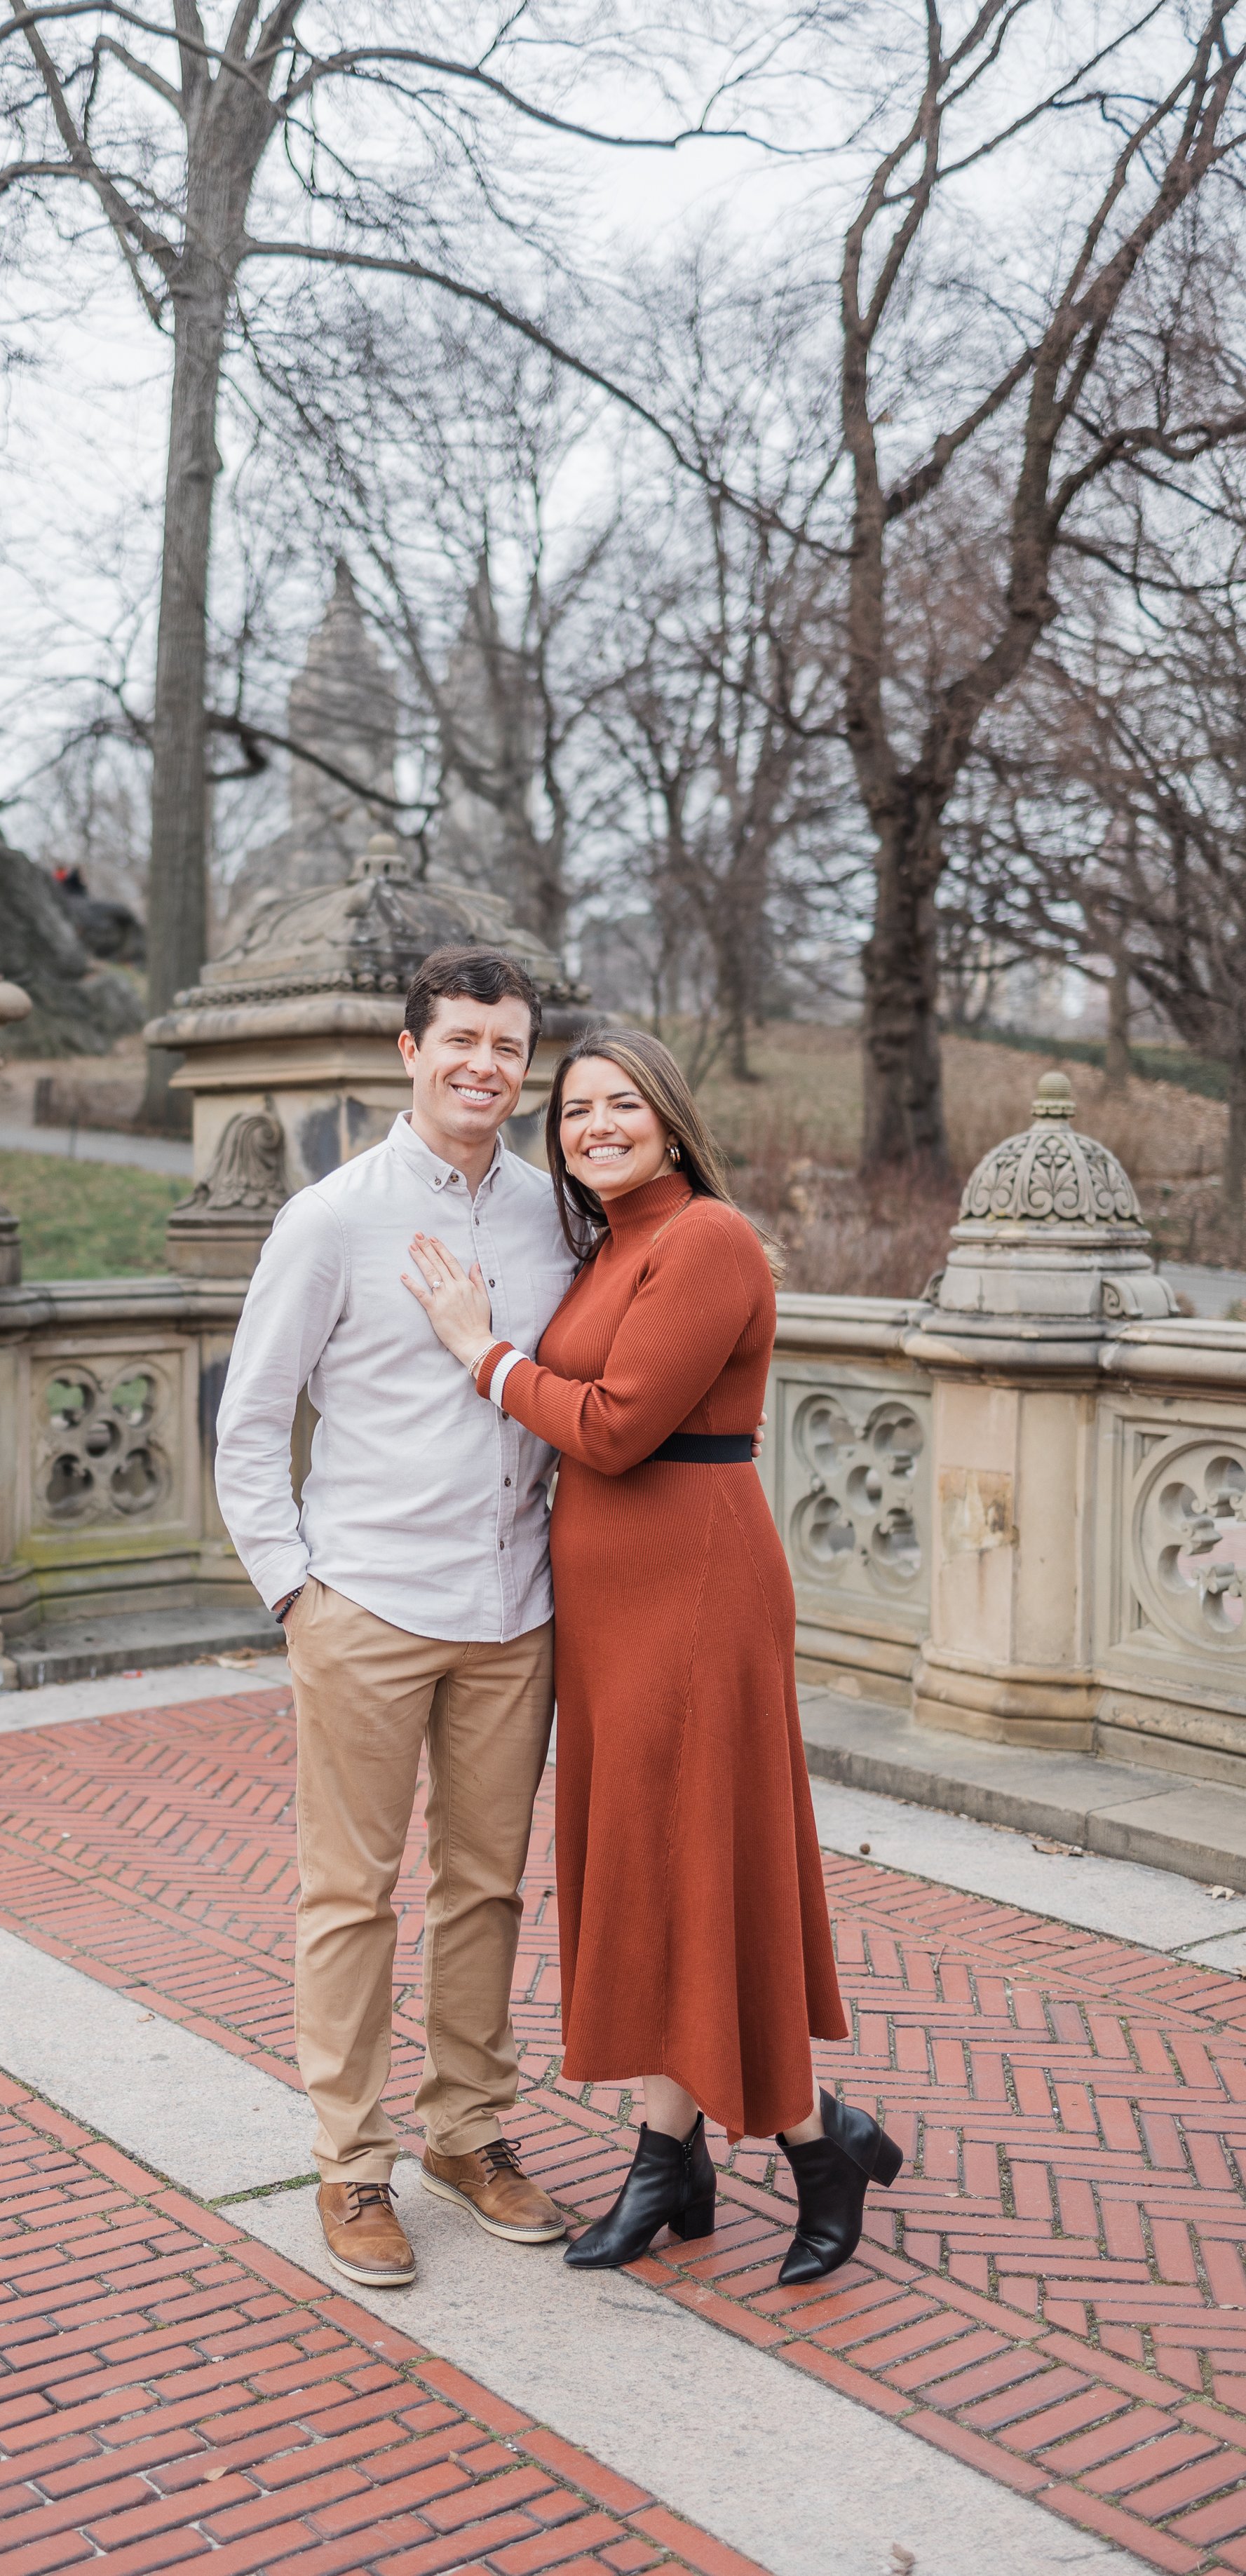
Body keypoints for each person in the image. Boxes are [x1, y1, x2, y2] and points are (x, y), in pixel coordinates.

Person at [402, 1026, 902, 2286]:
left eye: (621, 1105)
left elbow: (618, 1429)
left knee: (698, 1864)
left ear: (671, 1121)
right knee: (653, 1867)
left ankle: (800, 2141)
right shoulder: (612, 1243)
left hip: (696, 1590)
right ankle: (681, 2156)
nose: (594, 1126)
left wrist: (481, 1353)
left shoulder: (707, 1240)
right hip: (615, 1606)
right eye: (574, 1112)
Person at [215, 946, 576, 2290]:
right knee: (350, 1895)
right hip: (364, 1602)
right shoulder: (331, 1217)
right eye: (462, 1040)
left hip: (514, 1606)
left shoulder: (558, 1214)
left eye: (508, 1045)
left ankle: (466, 2135)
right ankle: (350, 2161)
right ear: (407, 1050)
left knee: (485, 1887)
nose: (486, 1065)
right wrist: (295, 1594)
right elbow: (250, 1421)